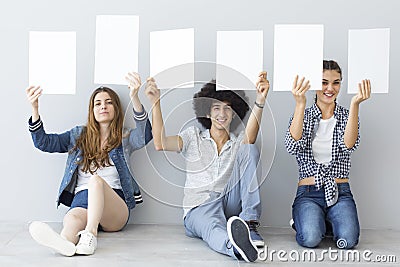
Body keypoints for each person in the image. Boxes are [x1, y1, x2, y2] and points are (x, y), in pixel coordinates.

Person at [141, 72, 269, 262]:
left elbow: (250, 139)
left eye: (227, 109)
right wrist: (155, 103)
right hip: (200, 206)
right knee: (212, 228)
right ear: (208, 113)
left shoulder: (237, 143)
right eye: (216, 108)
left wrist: (260, 99)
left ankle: (249, 223)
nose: (222, 114)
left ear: (234, 114)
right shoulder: (192, 136)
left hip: (228, 202)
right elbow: (160, 144)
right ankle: (235, 247)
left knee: (249, 150)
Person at [26, 72, 152, 256]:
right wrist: (35, 108)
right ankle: (65, 243)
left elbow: (145, 135)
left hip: (114, 206)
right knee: (72, 219)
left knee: (96, 181)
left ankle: (90, 234)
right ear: (92, 111)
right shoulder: (78, 135)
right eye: (98, 103)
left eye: (108, 102)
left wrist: (134, 97)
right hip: (82, 199)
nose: (103, 106)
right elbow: (44, 142)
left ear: (116, 108)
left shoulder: (124, 138)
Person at [285, 60, 371, 249]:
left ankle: (326, 222)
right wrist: (300, 105)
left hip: (340, 192)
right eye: (324, 82)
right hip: (309, 193)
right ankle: (306, 221)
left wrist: (355, 104)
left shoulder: (346, 115)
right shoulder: (304, 115)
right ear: (315, 84)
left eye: (336, 82)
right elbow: (292, 146)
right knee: (310, 239)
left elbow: (348, 146)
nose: (330, 88)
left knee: (348, 241)